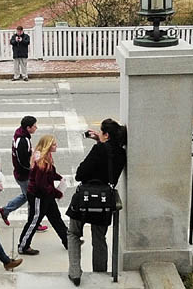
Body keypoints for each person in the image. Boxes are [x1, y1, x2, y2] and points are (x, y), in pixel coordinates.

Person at [66, 119, 127, 287]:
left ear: (106, 135)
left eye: (101, 132)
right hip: (104, 202)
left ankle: (75, 272)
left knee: (73, 233)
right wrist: (100, 142)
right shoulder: (122, 154)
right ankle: (99, 274)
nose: (99, 134)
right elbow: (109, 160)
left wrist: (98, 144)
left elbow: (80, 173)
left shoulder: (98, 149)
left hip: (85, 200)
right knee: (99, 238)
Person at [17, 135, 69, 256]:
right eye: (54, 144)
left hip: (45, 196)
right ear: (48, 146)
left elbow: (50, 174)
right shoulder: (42, 163)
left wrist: (59, 178)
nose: (56, 146)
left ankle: (67, 241)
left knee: (56, 218)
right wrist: (58, 193)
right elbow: (42, 185)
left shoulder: (45, 158)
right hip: (38, 196)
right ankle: (23, 246)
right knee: (34, 221)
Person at [0, 115, 48, 232]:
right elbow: (22, 161)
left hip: (21, 174)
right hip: (24, 175)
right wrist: (33, 170)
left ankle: (5, 210)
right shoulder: (22, 140)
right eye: (34, 126)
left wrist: (32, 153)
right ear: (28, 127)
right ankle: (34, 223)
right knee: (32, 198)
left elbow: (24, 154)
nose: (36, 127)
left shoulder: (22, 134)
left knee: (27, 195)